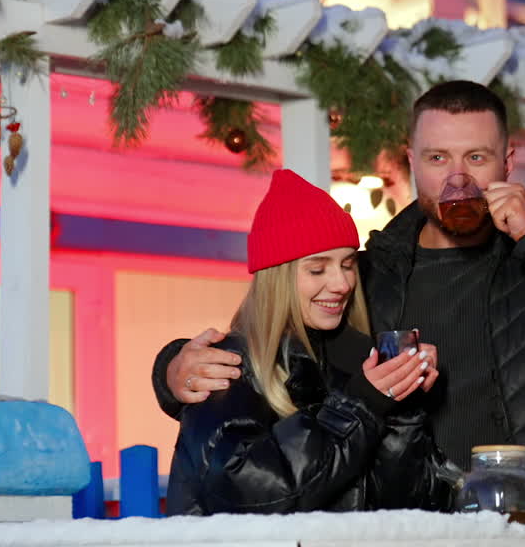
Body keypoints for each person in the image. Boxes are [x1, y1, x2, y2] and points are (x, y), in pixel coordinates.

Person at [155, 80, 525, 512]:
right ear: (412, 162)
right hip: (415, 530)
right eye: (437, 157)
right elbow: (278, 353)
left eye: (476, 157)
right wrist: (172, 369)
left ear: (507, 162)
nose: (458, 178)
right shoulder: (364, 276)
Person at [162, 168, 447, 515]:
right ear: (277, 278)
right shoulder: (226, 365)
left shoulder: (356, 364)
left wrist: (401, 403)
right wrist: (362, 405)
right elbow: (251, 493)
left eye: (347, 264)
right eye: (317, 269)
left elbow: (407, 508)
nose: (342, 284)